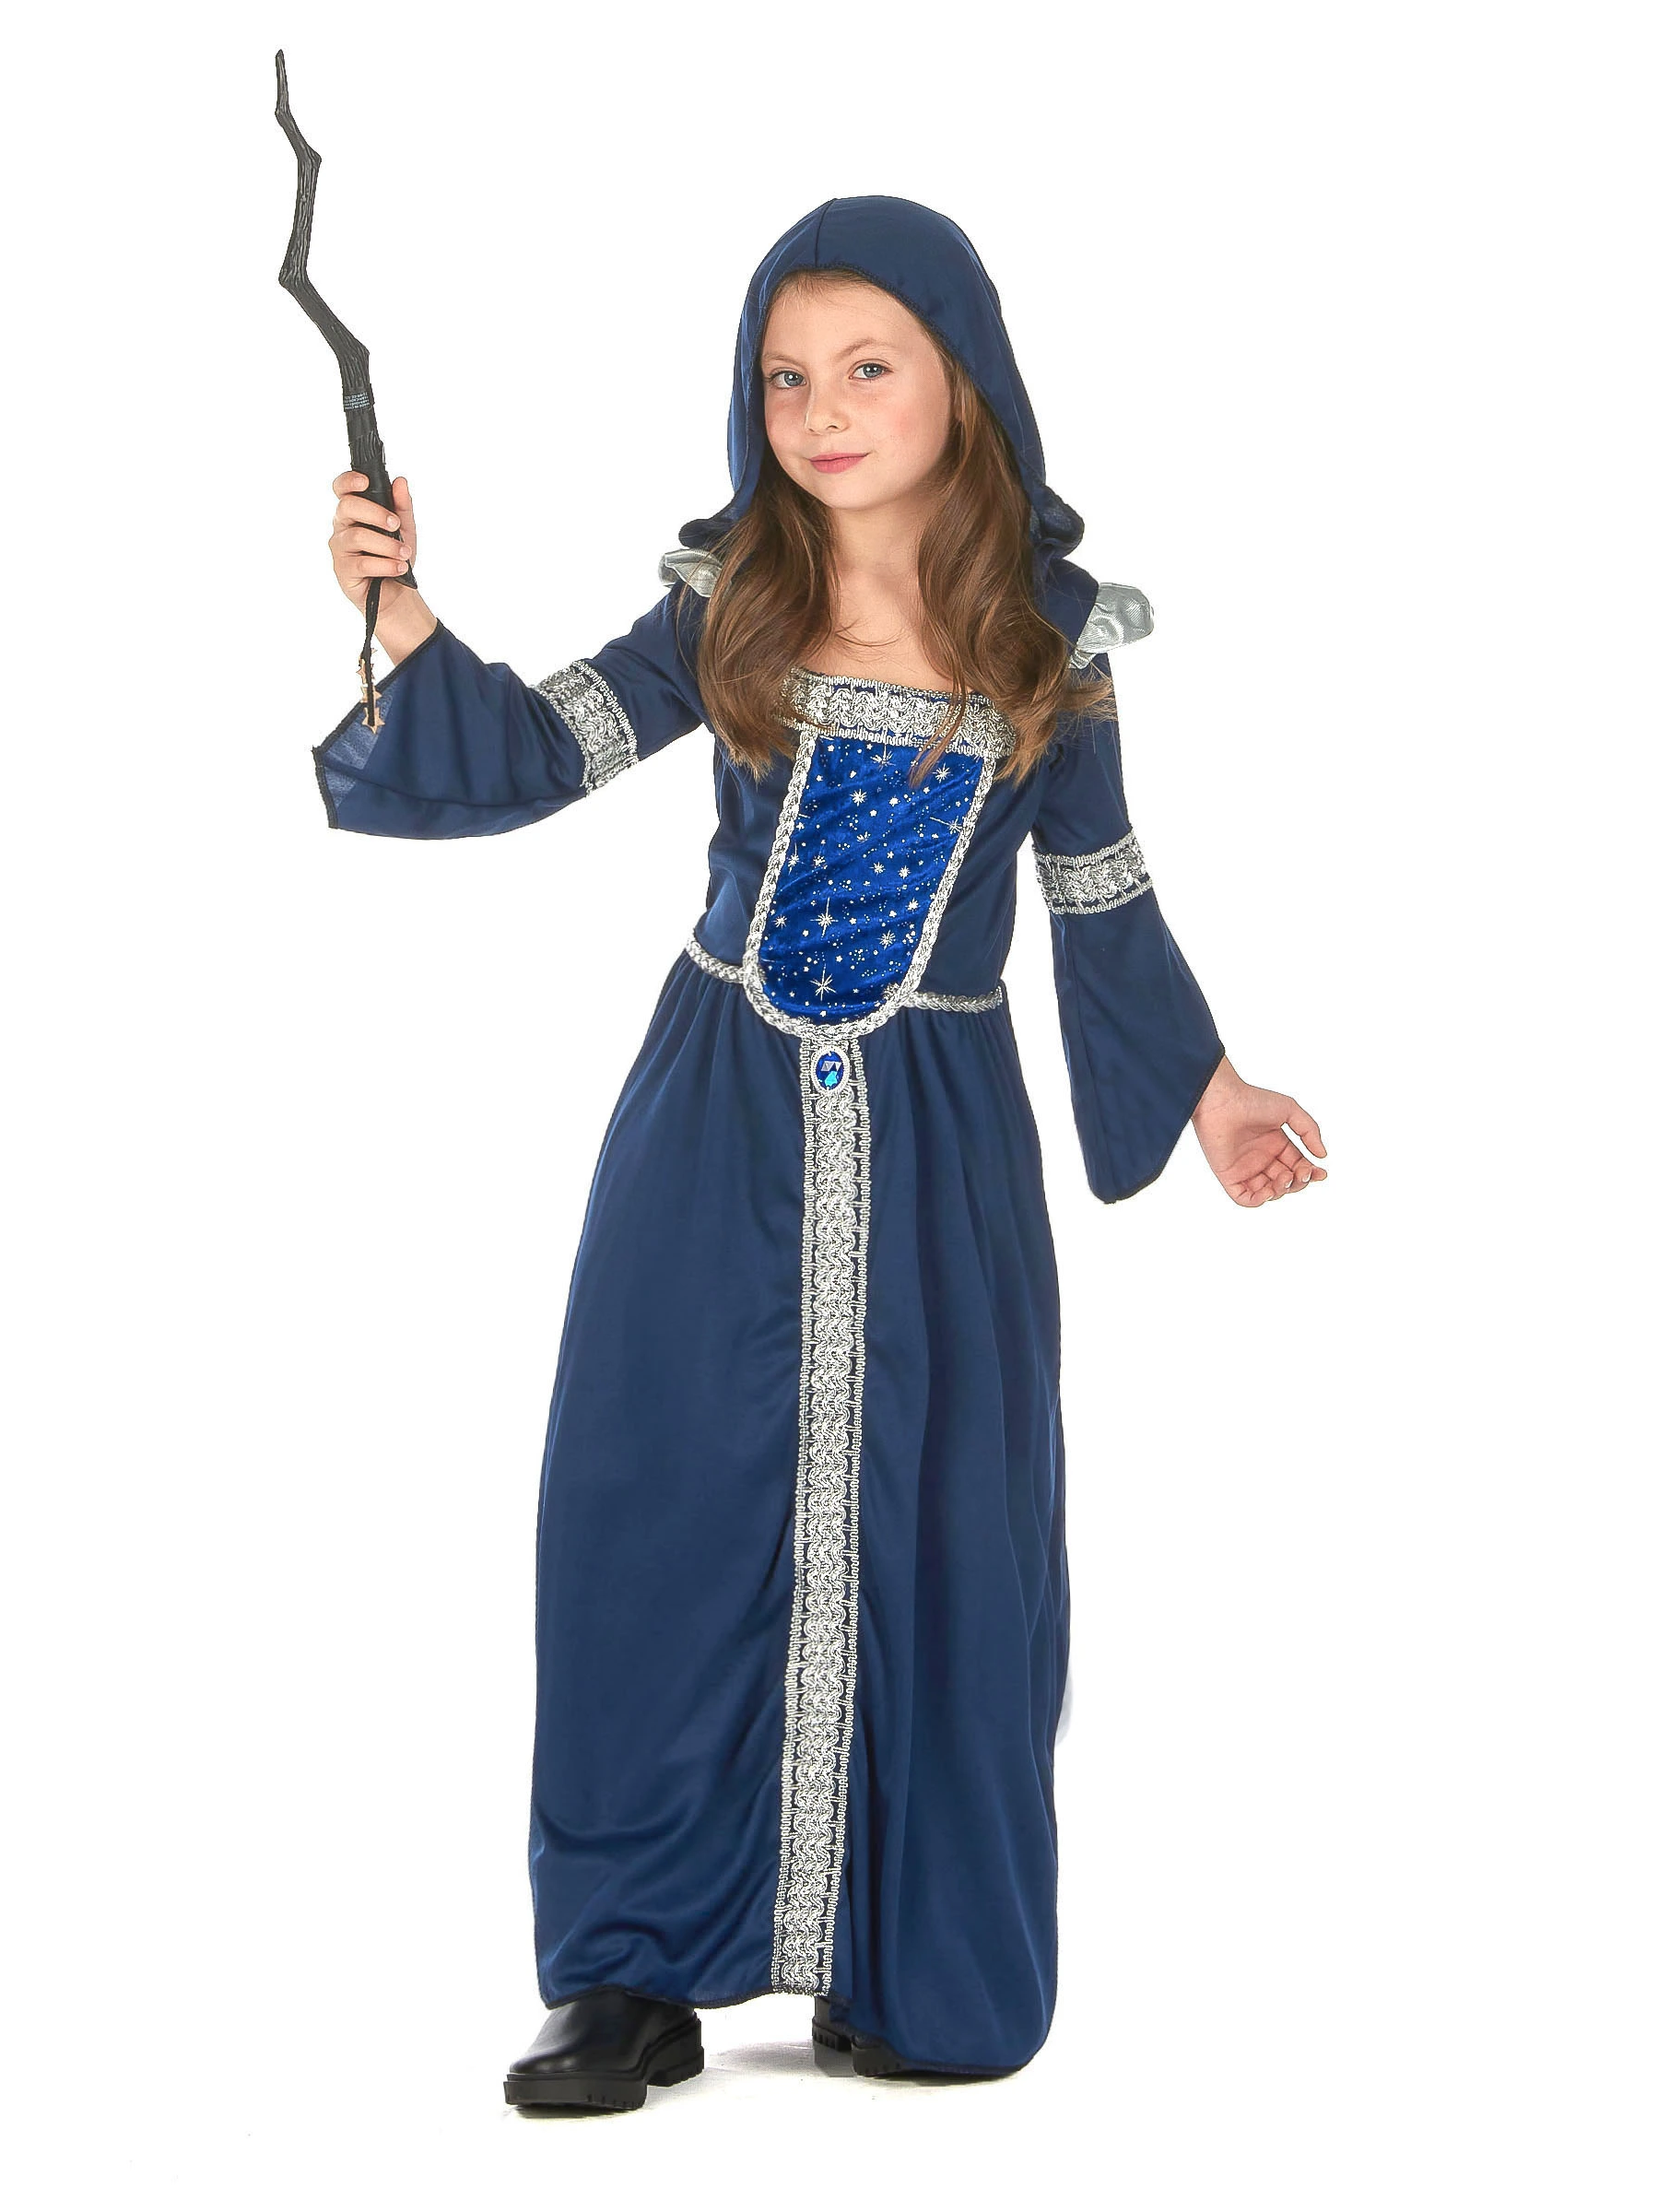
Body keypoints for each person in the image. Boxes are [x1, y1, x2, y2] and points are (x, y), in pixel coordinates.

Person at [312, 195, 1326, 2112]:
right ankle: (625, 1972)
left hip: (942, 1148)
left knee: (938, 1525)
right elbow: (535, 750)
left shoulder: (1049, 646)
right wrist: (399, 608)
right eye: (785, 377)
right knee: (659, 1501)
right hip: (715, 1120)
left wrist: (1210, 1091)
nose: (823, 410)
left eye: (868, 368)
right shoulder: (734, 606)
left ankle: (897, 1949)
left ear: (965, 379)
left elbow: (1100, 896)